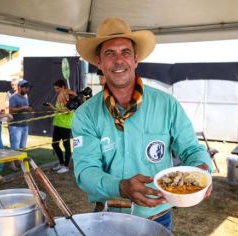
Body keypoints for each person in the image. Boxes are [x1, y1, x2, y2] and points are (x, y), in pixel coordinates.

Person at [71, 18, 212, 231]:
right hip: (108, 216)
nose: (119, 60)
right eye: (110, 53)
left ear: (135, 60)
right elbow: (86, 171)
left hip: (158, 218)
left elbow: (192, 149)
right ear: (99, 62)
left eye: (125, 52)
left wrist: (203, 169)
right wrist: (120, 187)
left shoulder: (166, 105)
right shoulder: (86, 115)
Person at [46, 79, 73, 174]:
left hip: (65, 126)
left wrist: (54, 108)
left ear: (63, 87)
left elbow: (67, 111)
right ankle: (61, 163)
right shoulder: (59, 96)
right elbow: (59, 110)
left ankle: (66, 166)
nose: (56, 90)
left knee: (66, 146)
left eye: (57, 88)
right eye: (55, 88)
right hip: (57, 124)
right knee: (54, 144)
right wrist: (52, 108)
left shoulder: (68, 96)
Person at [8, 80, 32, 170]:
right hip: (15, 126)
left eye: (28, 88)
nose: (27, 90)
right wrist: (23, 108)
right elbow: (11, 111)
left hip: (25, 125)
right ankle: (12, 164)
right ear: (19, 87)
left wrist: (29, 109)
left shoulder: (25, 97)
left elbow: (26, 108)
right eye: (25, 88)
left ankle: (19, 162)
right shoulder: (13, 98)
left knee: (22, 146)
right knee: (15, 147)